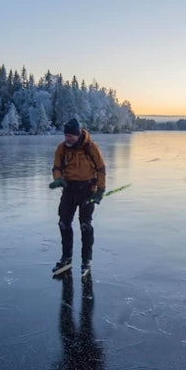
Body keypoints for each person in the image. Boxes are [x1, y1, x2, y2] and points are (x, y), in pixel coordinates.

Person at [49, 118, 106, 276]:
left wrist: (100, 190)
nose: (67, 139)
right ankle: (66, 258)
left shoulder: (91, 147)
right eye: (66, 136)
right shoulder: (62, 148)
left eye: (70, 136)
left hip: (87, 190)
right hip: (69, 189)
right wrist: (58, 179)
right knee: (63, 223)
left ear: (78, 134)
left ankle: (86, 259)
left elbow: (101, 168)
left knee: (85, 225)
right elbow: (57, 167)